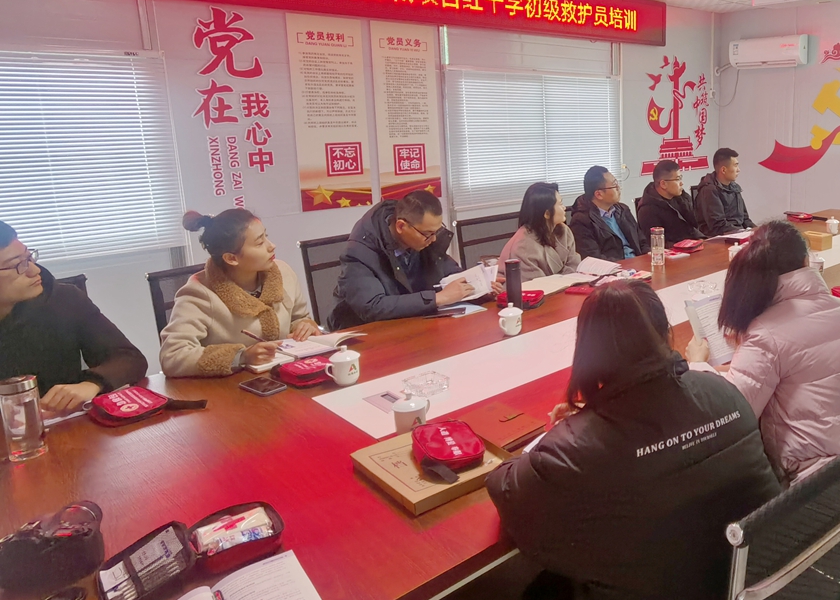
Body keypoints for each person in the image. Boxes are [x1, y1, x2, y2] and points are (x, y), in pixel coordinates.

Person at [486, 281, 779, 600]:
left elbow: (506, 489)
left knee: (543, 595)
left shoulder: (578, 450)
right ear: (665, 334)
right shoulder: (721, 390)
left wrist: (565, 436)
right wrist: (585, 425)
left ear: (587, 351)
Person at [686, 221, 840, 501]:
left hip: (829, 497)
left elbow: (732, 415)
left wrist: (697, 365)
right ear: (806, 261)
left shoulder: (767, 332)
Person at [0, 220, 147, 413]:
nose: (35, 270)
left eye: (28, 258)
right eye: (17, 265)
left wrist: (92, 383)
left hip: (63, 423)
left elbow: (129, 358)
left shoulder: (63, 299)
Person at [160, 210, 320, 377]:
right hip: (231, 386)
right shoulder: (199, 293)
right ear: (231, 258)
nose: (271, 246)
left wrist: (305, 325)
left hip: (287, 374)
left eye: (266, 236)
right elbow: (172, 356)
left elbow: (299, 317)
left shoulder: (283, 272)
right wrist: (240, 356)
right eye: (260, 243)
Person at [329, 191, 488, 330]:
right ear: (401, 226)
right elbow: (373, 306)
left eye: (436, 231)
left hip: (413, 324)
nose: (433, 239)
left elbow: (448, 271)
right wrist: (438, 298)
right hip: (364, 334)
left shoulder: (421, 238)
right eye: (428, 234)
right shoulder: (359, 252)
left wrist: (479, 285)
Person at [499, 182, 582, 281]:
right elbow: (534, 283)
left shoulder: (564, 230)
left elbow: (574, 264)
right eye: (560, 204)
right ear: (547, 214)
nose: (564, 208)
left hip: (564, 284)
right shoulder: (523, 245)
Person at [569, 166, 647, 262]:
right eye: (614, 185)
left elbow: (642, 241)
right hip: (615, 268)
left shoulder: (623, 209)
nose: (619, 188)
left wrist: (648, 256)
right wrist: (627, 265)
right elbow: (593, 259)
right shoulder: (581, 221)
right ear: (599, 194)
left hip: (638, 264)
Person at [635, 160, 704, 246]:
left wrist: (701, 239)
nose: (681, 183)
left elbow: (693, 227)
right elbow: (657, 245)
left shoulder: (682, 197)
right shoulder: (647, 210)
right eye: (677, 179)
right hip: (676, 251)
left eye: (681, 178)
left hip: (693, 245)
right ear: (663, 184)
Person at [695, 148, 754, 236]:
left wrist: (758, 231)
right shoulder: (709, 190)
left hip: (738, 234)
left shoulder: (734, 187)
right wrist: (743, 232)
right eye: (735, 166)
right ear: (723, 170)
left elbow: (745, 219)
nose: (738, 170)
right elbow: (718, 226)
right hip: (720, 238)